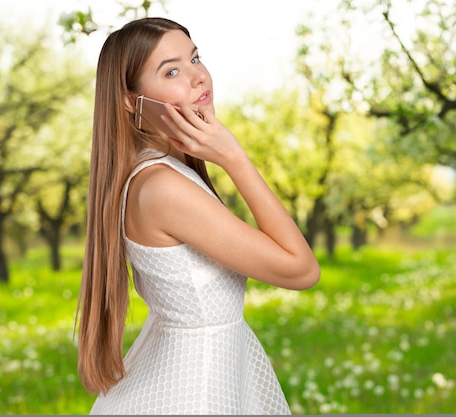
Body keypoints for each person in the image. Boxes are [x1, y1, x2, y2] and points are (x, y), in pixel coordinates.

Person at [75, 17, 320, 415]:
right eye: (171, 70)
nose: (198, 77)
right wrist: (233, 157)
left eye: (195, 58)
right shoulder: (163, 188)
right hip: (195, 389)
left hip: (200, 371)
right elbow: (301, 270)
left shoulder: (165, 169)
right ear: (129, 99)